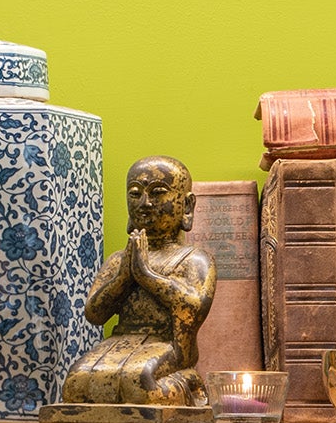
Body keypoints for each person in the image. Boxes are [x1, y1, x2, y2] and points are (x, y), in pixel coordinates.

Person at [55, 156, 216, 406]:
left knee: (138, 383)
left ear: (186, 205)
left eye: (158, 193)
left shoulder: (194, 259)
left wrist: (147, 276)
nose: (145, 203)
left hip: (168, 343)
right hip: (120, 343)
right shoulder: (120, 259)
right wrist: (123, 277)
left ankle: (190, 386)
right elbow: (94, 313)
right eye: (135, 193)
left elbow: (193, 308)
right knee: (76, 383)